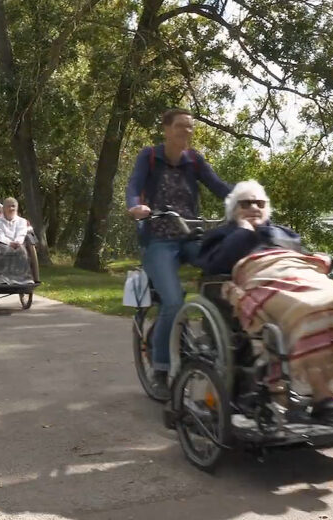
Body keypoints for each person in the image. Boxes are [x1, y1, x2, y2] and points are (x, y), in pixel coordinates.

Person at [197, 180, 333, 427]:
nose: (253, 207)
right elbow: (214, 265)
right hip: (260, 277)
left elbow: (302, 255)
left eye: (259, 203)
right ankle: (324, 399)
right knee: (304, 309)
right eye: (245, 203)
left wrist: (322, 259)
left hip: (300, 271)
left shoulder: (282, 233)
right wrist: (244, 231)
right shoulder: (221, 234)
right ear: (233, 210)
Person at [126, 108, 232, 399]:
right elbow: (134, 187)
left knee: (225, 274)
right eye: (181, 126)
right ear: (166, 129)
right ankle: (160, 368)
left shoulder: (194, 160)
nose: (187, 131)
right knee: (173, 302)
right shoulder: (149, 156)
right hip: (159, 240)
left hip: (190, 236)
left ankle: (222, 342)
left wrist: (249, 200)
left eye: (190, 127)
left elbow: (221, 187)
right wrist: (136, 206)